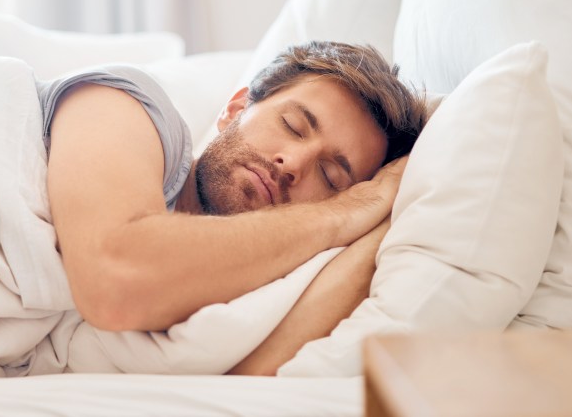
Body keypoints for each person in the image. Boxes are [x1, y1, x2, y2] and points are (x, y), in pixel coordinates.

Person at [43, 40, 427, 375]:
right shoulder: (128, 104)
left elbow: (253, 370)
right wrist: (346, 209)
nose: (292, 163)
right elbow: (115, 282)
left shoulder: (255, 274)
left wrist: (380, 210)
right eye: (292, 125)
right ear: (236, 108)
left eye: (329, 176)